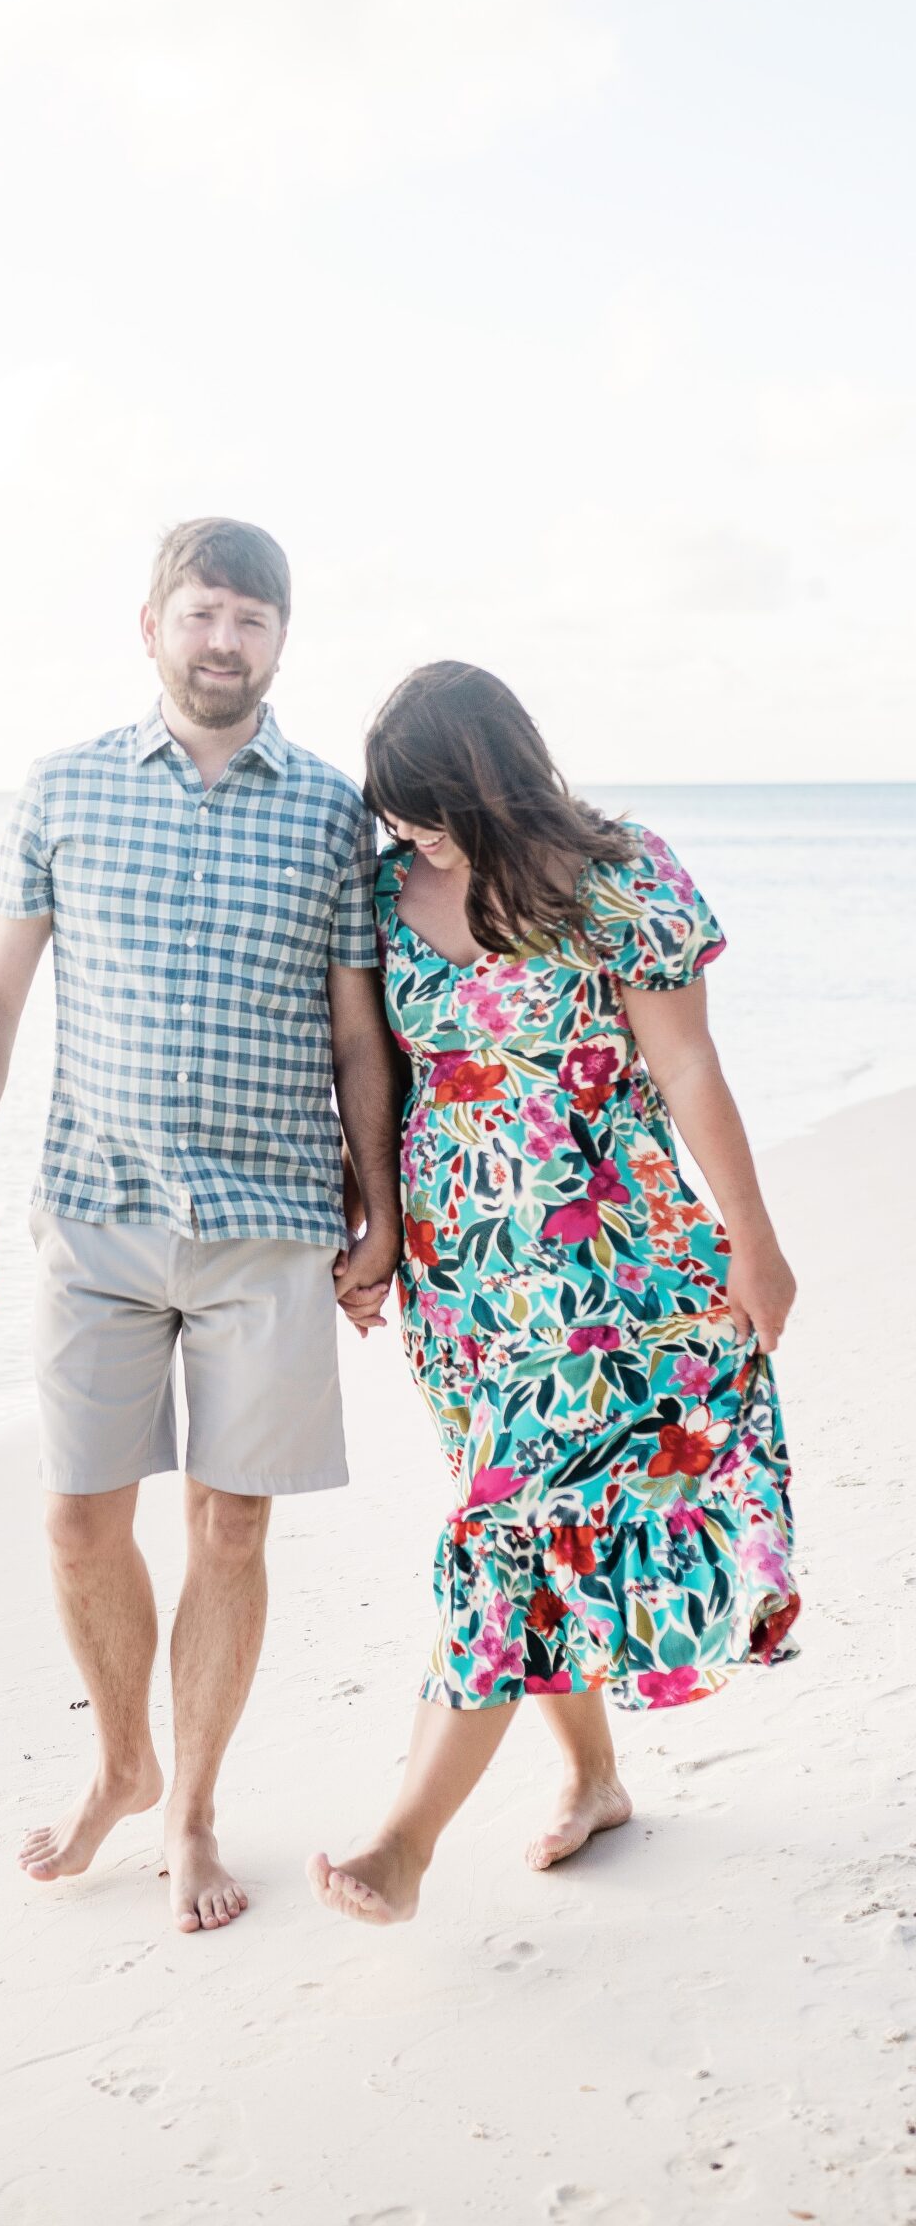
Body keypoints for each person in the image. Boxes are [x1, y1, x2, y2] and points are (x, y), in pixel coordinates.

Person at [0, 520, 402, 1935]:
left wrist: (379, 1213)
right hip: (99, 1209)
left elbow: (356, 1033)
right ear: (151, 626)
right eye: (203, 612)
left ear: (279, 644)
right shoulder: (64, 789)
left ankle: (191, 1808)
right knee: (81, 1522)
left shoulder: (330, 811)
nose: (224, 640)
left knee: (230, 1529)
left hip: (268, 1221)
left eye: (252, 620)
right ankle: (121, 1762)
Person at [311, 660, 799, 1926]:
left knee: (505, 1525)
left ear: (492, 777)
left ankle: (404, 1842)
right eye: (398, 813)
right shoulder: (378, 892)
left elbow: (687, 1065)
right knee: (533, 1526)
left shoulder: (621, 871)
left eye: (432, 809)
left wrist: (756, 1240)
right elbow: (375, 1070)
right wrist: (373, 1235)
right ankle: (592, 1777)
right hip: (467, 1279)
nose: (414, 834)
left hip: (612, 1265)